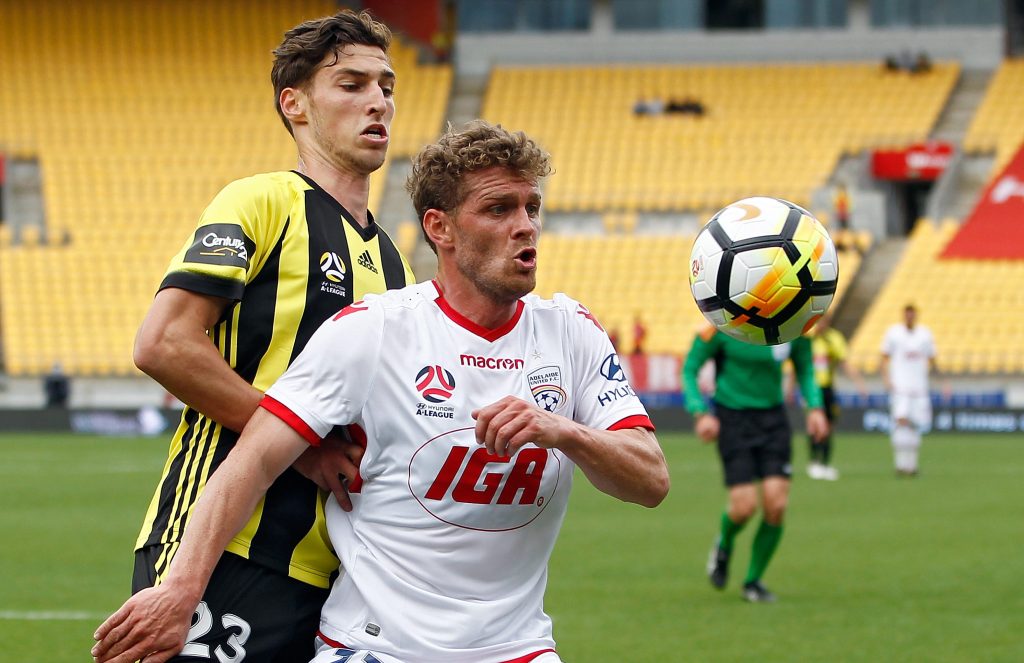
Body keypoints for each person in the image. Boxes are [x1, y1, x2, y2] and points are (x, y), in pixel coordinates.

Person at [93, 121, 669, 663]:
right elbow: (250, 464)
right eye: (499, 209)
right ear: (439, 228)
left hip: (517, 647)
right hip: (374, 646)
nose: (525, 226)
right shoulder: (373, 329)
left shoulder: (572, 331)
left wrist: (562, 431)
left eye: (531, 208)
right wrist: (179, 592)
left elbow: (650, 480)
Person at [92, 10, 414, 662]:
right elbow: (166, 342)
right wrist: (298, 446)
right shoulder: (261, 201)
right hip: (227, 550)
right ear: (293, 104)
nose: (377, 100)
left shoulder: (392, 258)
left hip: (333, 572)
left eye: (385, 85)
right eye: (351, 84)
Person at [683, 324, 827, 603]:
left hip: (773, 421)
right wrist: (700, 412)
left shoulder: (793, 323)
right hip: (733, 420)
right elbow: (690, 368)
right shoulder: (723, 325)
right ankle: (723, 544)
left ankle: (753, 581)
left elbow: (805, 369)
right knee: (744, 507)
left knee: (776, 505)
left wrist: (815, 407)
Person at [804, 313, 867, 481]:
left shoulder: (834, 339)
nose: (821, 325)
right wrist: (790, 388)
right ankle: (813, 461)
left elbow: (844, 362)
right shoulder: (807, 339)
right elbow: (800, 366)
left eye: (824, 321)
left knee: (829, 426)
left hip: (827, 388)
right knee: (814, 426)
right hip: (812, 389)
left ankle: (824, 463)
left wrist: (859, 382)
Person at [881, 304, 937, 477]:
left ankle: (912, 465)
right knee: (900, 423)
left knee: (915, 425)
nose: (910, 317)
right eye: (907, 314)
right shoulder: (894, 333)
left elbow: (932, 358)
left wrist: (935, 379)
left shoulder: (925, 334)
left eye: (912, 315)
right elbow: (884, 357)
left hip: (919, 389)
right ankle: (900, 464)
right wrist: (887, 379)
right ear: (903, 315)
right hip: (901, 388)